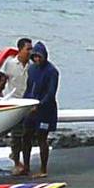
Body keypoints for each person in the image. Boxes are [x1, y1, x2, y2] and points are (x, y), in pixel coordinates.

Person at [21, 41, 59, 178]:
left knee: (41, 137)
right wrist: (24, 104)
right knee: (26, 136)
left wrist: (39, 105)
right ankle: (26, 166)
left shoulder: (52, 71)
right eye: (35, 57)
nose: (37, 59)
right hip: (31, 108)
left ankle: (43, 169)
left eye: (39, 56)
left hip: (46, 110)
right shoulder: (32, 69)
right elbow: (28, 88)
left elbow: (51, 93)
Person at [0, 37, 33, 175]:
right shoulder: (10, 64)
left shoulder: (32, 65)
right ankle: (16, 162)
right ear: (20, 50)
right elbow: (1, 80)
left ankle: (24, 162)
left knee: (28, 134)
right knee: (16, 135)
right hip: (14, 103)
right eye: (27, 49)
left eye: (31, 49)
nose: (30, 52)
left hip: (28, 102)